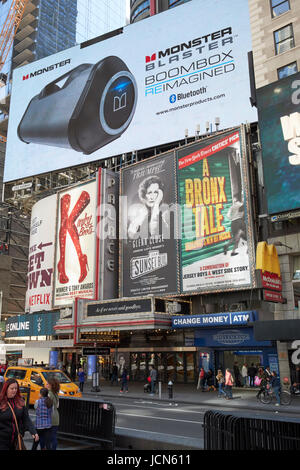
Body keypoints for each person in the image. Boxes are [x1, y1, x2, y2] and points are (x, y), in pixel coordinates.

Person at [0, 379, 39, 450]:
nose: (14, 390)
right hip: (2, 441)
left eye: (16, 388)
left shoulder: (20, 401)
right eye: (12, 388)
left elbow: (26, 418)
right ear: (6, 389)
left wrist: (33, 431)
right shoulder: (1, 402)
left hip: (16, 440)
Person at [47, 377, 60, 450]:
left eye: (47, 384)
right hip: (56, 417)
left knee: (48, 438)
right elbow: (57, 406)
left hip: (50, 417)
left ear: (51, 385)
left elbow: (46, 406)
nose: (46, 385)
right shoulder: (56, 394)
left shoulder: (49, 394)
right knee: (54, 436)